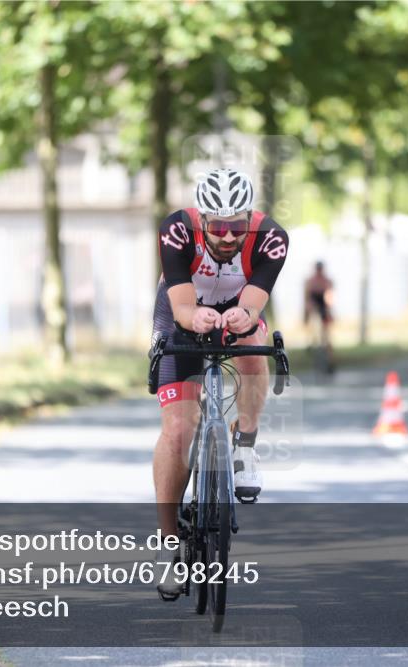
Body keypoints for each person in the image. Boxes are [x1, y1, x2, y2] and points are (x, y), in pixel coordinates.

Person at [151, 168, 288, 598]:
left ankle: (244, 445)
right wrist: (195, 317)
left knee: (253, 343)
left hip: (235, 310)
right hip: (181, 314)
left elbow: (253, 304)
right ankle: (170, 547)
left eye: (237, 227)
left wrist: (243, 317)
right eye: (218, 227)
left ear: (249, 219)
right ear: (202, 219)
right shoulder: (177, 231)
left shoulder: (271, 238)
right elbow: (181, 307)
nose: (228, 236)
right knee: (178, 428)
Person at [303, 261, 335, 372]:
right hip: (314, 307)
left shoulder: (327, 281)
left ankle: (330, 361)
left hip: (323, 307)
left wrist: (328, 312)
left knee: (327, 336)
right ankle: (311, 344)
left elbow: (329, 297)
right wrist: (307, 313)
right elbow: (307, 299)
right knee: (314, 328)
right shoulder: (310, 281)